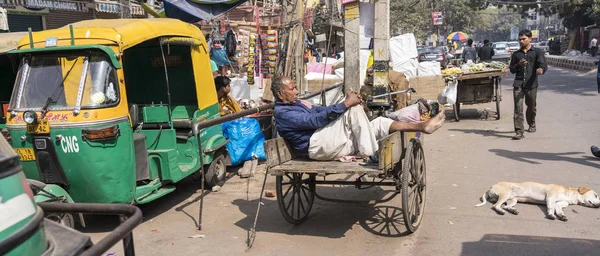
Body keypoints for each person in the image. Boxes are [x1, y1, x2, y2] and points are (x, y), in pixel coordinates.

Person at [272, 76, 445, 161]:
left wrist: (344, 102)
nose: (296, 91)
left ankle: (422, 126)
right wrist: (346, 104)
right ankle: (370, 153)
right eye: (292, 89)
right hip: (317, 145)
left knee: (380, 122)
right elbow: (315, 121)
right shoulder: (283, 113)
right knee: (352, 109)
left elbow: (320, 110)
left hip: (328, 140)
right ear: (281, 94)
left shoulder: (297, 104)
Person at [509, 29, 547, 140]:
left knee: (531, 106)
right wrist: (518, 65)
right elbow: (512, 70)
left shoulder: (538, 52)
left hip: (531, 84)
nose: (521, 41)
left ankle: (532, 123)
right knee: (518, 108)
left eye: (524, 39)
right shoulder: (516, 54)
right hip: (518, 84)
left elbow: (543, 65)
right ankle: (519, 131)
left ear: (530, 39)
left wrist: (541, 70)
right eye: (520, 39)